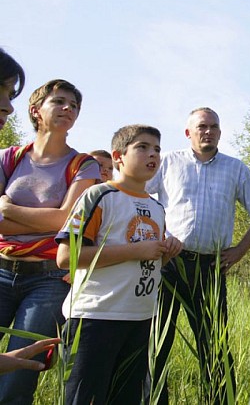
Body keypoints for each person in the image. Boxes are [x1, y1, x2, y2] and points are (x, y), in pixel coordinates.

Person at [147, 107, 250, 404]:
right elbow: (139, 194)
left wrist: (239, 251)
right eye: (202, 126)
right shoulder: (168, 163)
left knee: (215, 346)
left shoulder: (235, 168)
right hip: (168, 264)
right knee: (156, 343)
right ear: (188, 132)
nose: (208, 131)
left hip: (210, 268)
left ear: (220, 132)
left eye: (214, 126)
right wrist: (158, 237)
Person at [55, 124, 182, 405]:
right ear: (119, 156)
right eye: (142, 147)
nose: (153, 155)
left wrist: (167, 253)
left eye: (157, 149)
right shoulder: (98, 196)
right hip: (95, 318)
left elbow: (148, 259)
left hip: (140, 319)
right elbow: (66, 258)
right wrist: (135, 250)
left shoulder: (157, 208)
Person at [0, 78, 99, 404]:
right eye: (59, 101)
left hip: (48, 280)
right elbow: (55, 217)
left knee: (21, 370)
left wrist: (9, 209)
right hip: (1, 269)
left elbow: (66, 220)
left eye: (74, 105)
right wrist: (50, 216)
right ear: (35, 110)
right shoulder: (8, 158)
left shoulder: (84, 165)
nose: (68, 108)